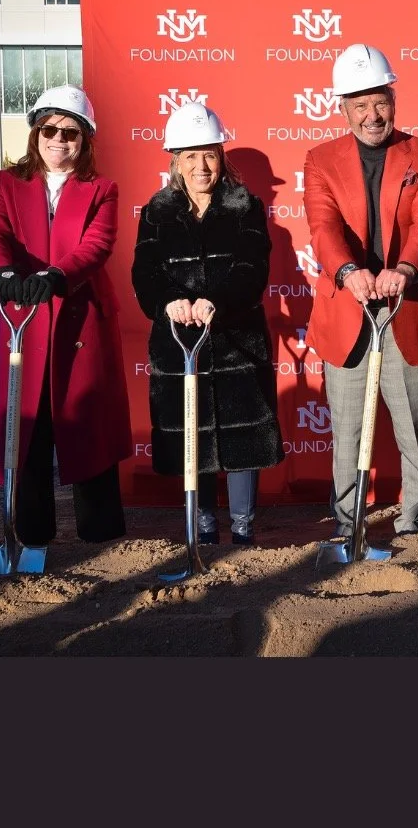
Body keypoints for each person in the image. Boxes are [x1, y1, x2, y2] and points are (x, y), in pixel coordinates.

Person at [303, 43, 418, 540]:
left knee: (412, 426)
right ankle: (348, 527)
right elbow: (322, 227)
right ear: (343, 109)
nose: (372, 115)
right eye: (360, 105)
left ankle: (413, 524)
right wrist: (347, 273)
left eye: (379, 102)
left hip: (403, 309)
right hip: (347, 313)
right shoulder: (320, 159)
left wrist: (405, 270)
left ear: (394, 100)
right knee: (346, 431)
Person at [0, 83, 130, 544]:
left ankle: (100, 534)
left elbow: (97, 244)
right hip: (25, 315)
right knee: (29, 426)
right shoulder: (6, 183)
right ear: (35, 132)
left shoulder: (102, 189)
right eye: (49, 129)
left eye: (71, 133)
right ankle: (31, 533)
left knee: (88, 426)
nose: (58, 141)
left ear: (85, 140)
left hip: (80, 317)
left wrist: (60, 276)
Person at [131, 100, 284, 546]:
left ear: (222, 157)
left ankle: (242, 530)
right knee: (189, 438)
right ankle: (201, 529)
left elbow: (252, 268)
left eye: (210, 154)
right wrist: (170, 302)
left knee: (242, 436)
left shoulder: (246, 207)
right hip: (178, 343)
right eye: (191, 155)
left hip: (237, 341)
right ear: (175, 161)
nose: (201, 165)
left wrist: (215, 301)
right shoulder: (156, 212)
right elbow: (145, 273)